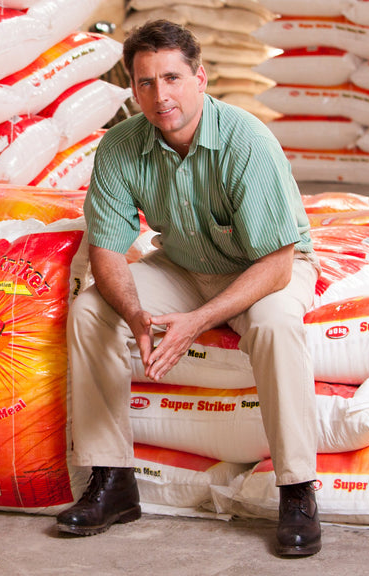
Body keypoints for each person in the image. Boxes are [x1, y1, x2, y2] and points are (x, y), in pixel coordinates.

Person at [55, 19, 323, 557]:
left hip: (262, 268)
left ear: (200, 79)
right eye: (146, 83)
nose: (161, 96)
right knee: (89, 310)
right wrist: (135, 315)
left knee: (274, 325)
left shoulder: (247, 141)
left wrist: (195, 324)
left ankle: (296, 489)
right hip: (181, 265)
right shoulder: (120, 146)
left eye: (173, 78)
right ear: (133, 89)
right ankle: (113, 480)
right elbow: (107, 252)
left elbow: (277, 263)